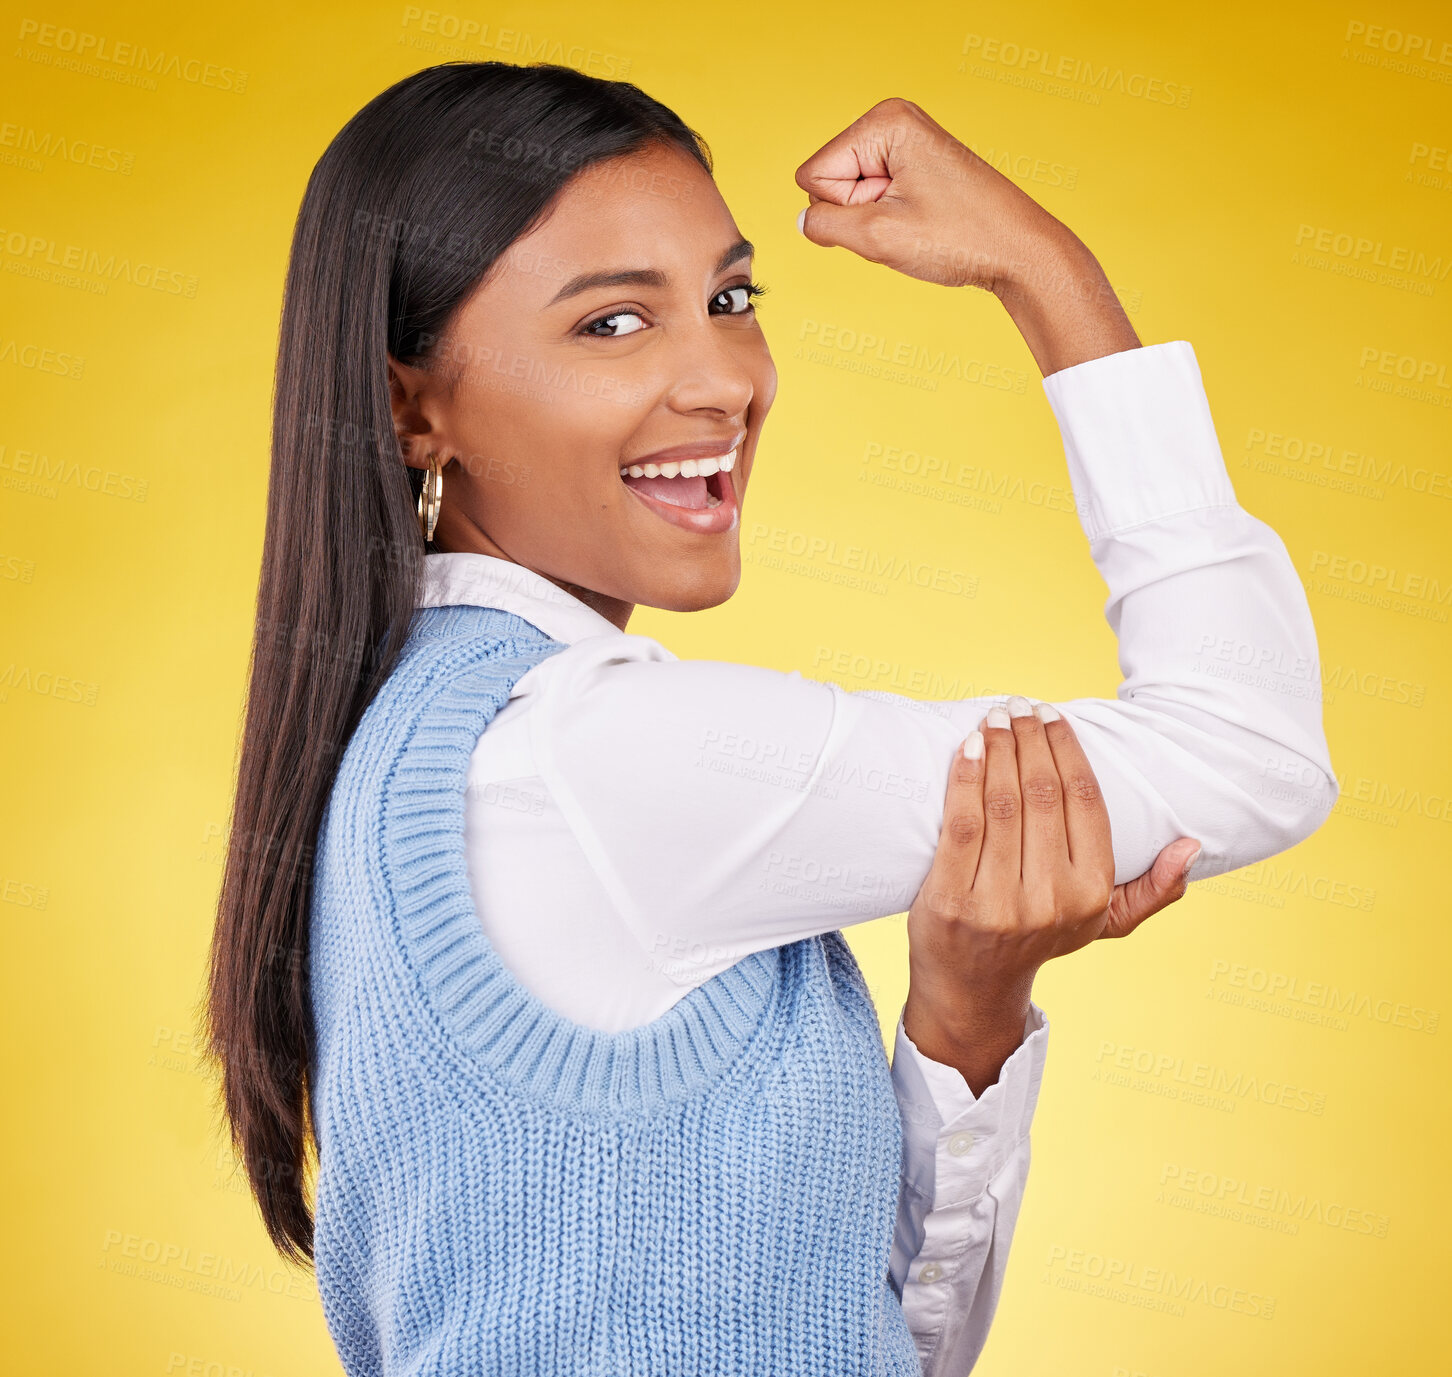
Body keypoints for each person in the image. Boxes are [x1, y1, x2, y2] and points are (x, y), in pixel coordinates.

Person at [206, 63, 1336, 1375]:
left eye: (730, 299)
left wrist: (964, 1023)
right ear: (416, 406)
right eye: (613, 325)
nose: (723, 381)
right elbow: (1251, 752)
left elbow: (841, 1338)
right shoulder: (594, 753)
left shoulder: (418, 732)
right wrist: (1046, 270)